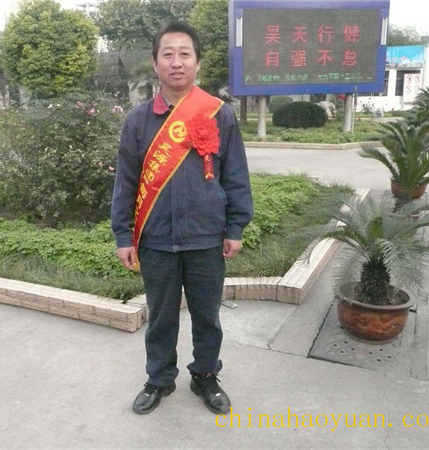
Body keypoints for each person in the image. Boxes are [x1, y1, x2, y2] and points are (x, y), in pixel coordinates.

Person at [111, 21, 253, 415]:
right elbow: (126, 183)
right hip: (156, 240)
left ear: (197, 62)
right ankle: (159, 378)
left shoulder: (219, 115)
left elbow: (235, 175)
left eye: (184, 54)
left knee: (207, 317)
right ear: (155, 63)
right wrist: (124, 235)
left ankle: (205, 375)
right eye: (168, 54)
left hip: (206, 238)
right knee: (160, 318)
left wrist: (235, 226)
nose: (176, 62)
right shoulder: (138, 121)